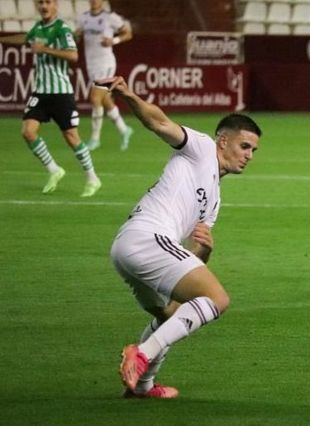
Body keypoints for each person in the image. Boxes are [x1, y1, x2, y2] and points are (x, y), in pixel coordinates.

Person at [105, 75, 262, 398]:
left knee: (172, 314)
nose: (249, 155)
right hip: (147, 237)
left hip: (130, 248)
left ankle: (143, 386)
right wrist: (128, 95)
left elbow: (192, 259)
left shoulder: (214, 200)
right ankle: (143, 353)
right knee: (218, 300)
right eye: (244, 146)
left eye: (253, 150)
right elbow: (159, 123)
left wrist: (205, 250)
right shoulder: (201, 148)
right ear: (223, 141)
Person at [0, 0, 101, 197]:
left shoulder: (61, 29)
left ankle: (92, 178)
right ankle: (54, 169)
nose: (44, 6)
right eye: (41, 3)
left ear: (55, 6)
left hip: (61, 93)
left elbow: (73, 55)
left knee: (71, 137)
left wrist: (44, 49)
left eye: (48, 2)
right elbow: (26, 39)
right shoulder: (38, 27)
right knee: (28, 132)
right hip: (40, 92)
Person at [75, 0, 134, 151]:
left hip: (106, 63)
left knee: (95, 98)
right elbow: (77, 37)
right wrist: (76, 35)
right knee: (105, 99)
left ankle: (95, 139)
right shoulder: (83, 18)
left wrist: (114, 40)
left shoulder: (110, 17)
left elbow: (128, 33)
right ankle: (124, 129)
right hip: (91, 65)